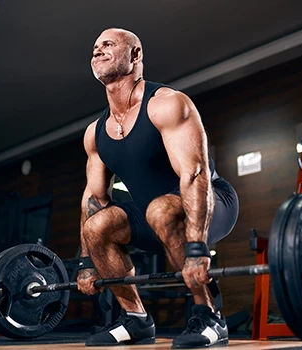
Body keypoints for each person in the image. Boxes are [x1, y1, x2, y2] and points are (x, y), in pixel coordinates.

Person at [77, 27, 239, 349]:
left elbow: (195, 175)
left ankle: (210, 316)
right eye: (95, 47)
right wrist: (85, 262)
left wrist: (196, 251)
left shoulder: (166, 104)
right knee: (98, 226)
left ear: (135, 55)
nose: (97, 50)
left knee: (161, 209)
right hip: (153, 214)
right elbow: (93, 200)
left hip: (210, 201)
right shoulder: (96, 133)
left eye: (108, 45)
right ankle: (136, 319)